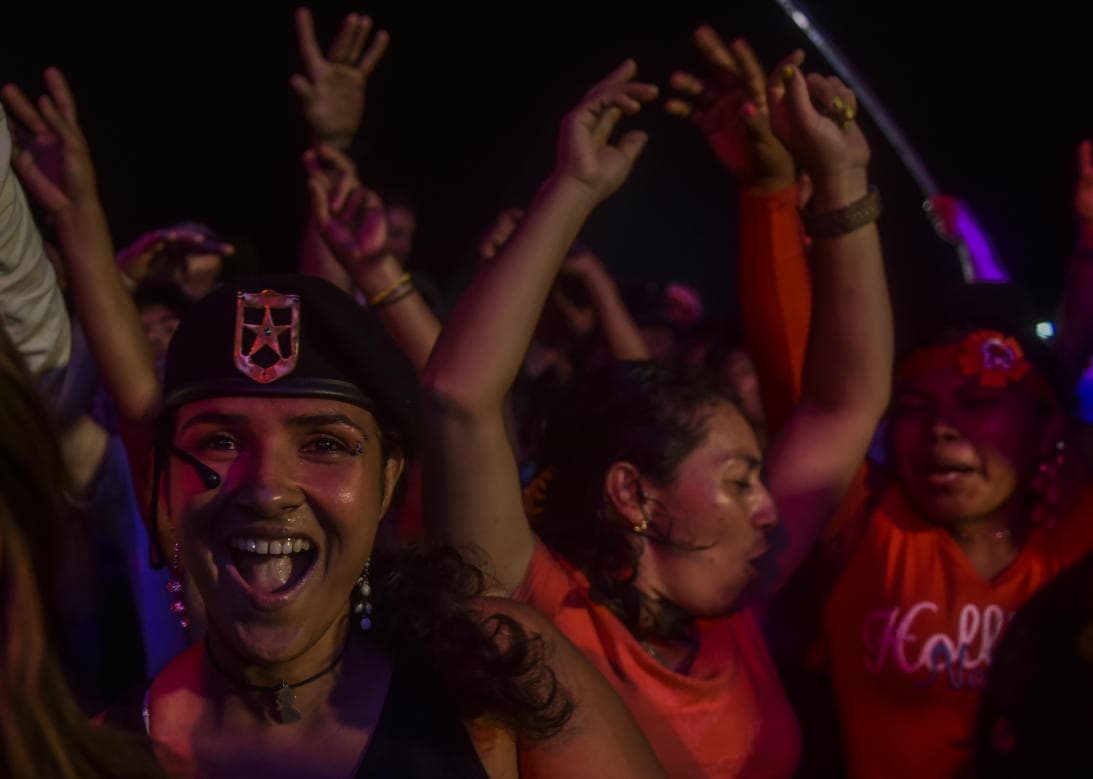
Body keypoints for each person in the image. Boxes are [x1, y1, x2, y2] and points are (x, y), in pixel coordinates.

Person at [423, 30, 893, 777]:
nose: (768, 506)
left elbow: (845, 405)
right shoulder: (545, 607)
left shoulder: (733, 603)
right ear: (632, 492)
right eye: (739, 479)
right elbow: (458, 399)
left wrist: (841, 180)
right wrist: (569, 189)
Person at [129, 272, 663, 777]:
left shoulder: (492, 677)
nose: (267, 489)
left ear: (386, 483)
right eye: (220, 443)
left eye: (325, 444)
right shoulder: (99, 753)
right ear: (160, 486)